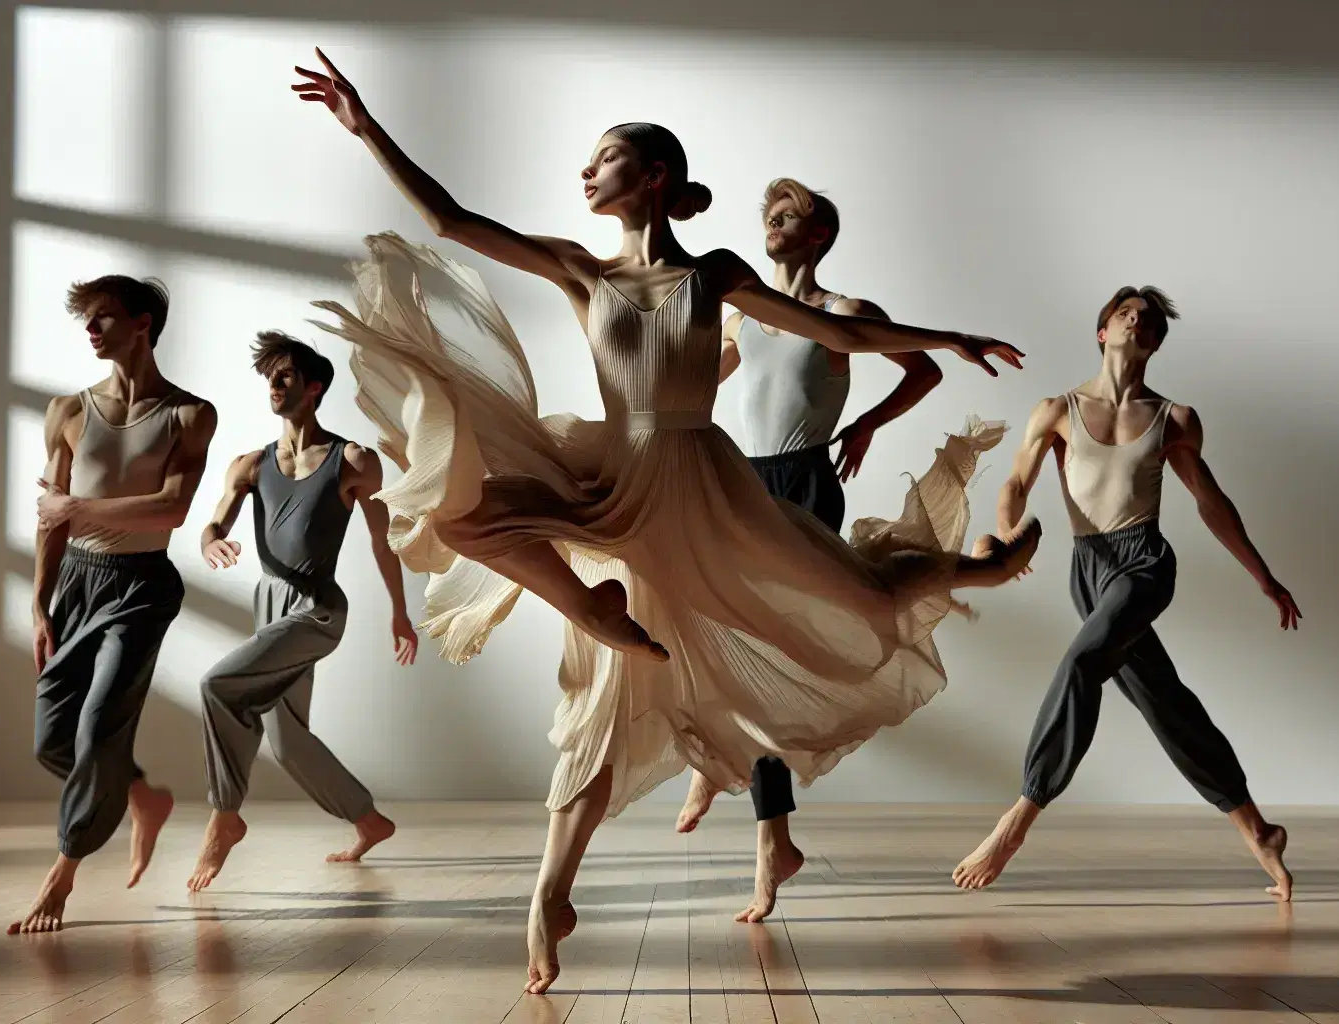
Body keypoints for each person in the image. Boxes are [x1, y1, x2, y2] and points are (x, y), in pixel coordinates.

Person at [292, 48, 1041, 992]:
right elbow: (451, 221)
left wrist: (944, 337)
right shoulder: (580, 271)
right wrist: (367, 129)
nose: (586, 170)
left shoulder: (714, 273)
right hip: (617, 470)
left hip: (700, 482)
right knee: (478, 527)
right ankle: (551, 883)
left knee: (846, 597)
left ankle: (970, 570)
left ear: (652, 178)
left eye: (604, 157)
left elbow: (843, 335)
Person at [674, 177, 985, 926]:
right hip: (745, 483)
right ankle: (751, 809)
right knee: (714, 641)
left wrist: (870, 422)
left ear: (817, 236)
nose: (771, 227)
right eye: (768, 218)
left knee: (775, 666)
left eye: (786, 219)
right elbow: (695, 387)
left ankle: (754, 825)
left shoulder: (845, 314)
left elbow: (927, 368)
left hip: (807, 482)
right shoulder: (743, 315)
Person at [950, 286, 1300, 901]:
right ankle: (1258, 829)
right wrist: (1008, 536)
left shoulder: (1175, 419)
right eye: (1123, 313)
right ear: (1103, 331)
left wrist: (1262, 575)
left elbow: (1212, 504)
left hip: (1144, 565)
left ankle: (1018, 818)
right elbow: (1015, 482)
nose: (1135, 320)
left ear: (1155, 342)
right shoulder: (1056, 409)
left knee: (1083, 663)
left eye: (1148, 319)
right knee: (1165, 703)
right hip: (1088, 572)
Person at [13, 275, 218, 934]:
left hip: (141, 586)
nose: (90, 330)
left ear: (143, 324)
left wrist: (75, 507)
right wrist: (41, 605)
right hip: (76, 579)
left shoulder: (190, 415)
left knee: (100, 722)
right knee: (53, 741)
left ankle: (61, 876)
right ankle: (140, 794)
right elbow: (49, 524)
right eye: (86, 320)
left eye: (102, 318)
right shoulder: (66, 411)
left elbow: (174, 508)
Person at [186, 331, 420, 892]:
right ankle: (370, 821)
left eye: (286, 375)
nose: (274, 383)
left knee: (218, 684)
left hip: (316, 610)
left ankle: (224, 817)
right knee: (286, 740)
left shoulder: (353, 461)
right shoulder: (248, 465)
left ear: (314, 389)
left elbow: (381, 542)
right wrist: (211, 542)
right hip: (268, 603)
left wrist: (399, 613)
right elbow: (214, 522)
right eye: (269, 375)